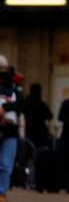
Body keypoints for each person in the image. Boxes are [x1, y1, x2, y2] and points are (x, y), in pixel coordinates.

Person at [0, 55, 23, 202]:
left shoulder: (14, 89)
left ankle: (1, 193)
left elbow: (21, 104)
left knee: (5, 164)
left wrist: (4, 107)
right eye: (0, 68)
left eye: (5, 68)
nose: (3, 71)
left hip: (10, 130)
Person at [23, 83, 53, 188]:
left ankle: (30, 180)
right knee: (41, 159)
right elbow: (50, 116)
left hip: (29, 134)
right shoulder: (41, 104)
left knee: (30, 159)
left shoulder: (26, 102)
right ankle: (39, 180)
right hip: (41, 134)